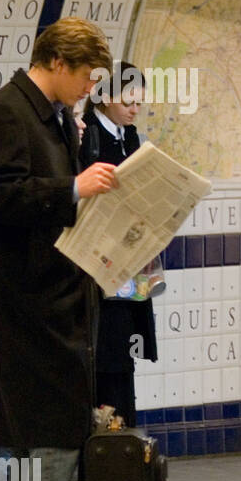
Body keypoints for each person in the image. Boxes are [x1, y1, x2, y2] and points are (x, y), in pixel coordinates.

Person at [0, 17, 119, 481]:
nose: (89, 86)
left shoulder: (55, 117)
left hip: (58, 293)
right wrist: (73, 189)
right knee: (55, 432)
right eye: (85, 75)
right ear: (57, 62)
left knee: (38, 435)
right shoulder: (5, 112)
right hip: (28, 299)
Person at [79, 62, 158, 428]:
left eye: (139, 102)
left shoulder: (131, 136)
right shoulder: (87, 134)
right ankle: (99, 447)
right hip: (96, 264)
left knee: (124, 354)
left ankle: (122, 444)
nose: (134, 108)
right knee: (103, 354)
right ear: (106, 96)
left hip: (128, 265)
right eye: (128, 99)